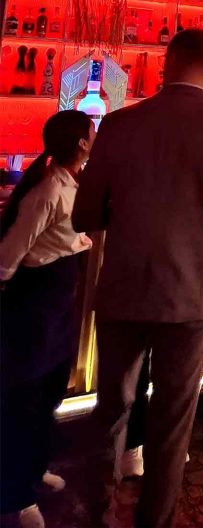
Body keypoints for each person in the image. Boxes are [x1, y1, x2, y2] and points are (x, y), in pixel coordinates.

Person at [73, 29, 203, 528]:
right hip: (191, 290)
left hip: (124, 284)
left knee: (111, 408)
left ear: (166, 62)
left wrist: (131, 211)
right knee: (172, 421)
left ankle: (96, 511)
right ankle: (154, 520)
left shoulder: (118, 124)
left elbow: (83, 213)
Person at [0, 110, 95, 528]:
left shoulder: (70, 183)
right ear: (81, 143)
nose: (96, 137)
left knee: (50, 392)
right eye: (92, 132)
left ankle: (34, 469)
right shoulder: (50, 189)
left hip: (57, 305)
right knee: (24, 400)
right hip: (35, 307)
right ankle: (14, 496)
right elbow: (9, 255)